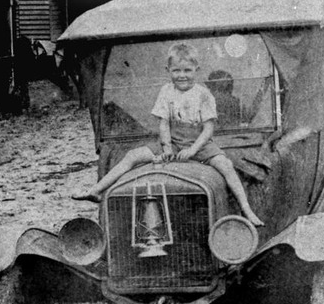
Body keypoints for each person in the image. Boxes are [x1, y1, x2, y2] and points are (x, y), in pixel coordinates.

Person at [73, 43, 264, 227]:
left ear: (197, 70)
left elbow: (208, 129)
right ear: (168, 70)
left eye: (187, 70)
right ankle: (96, 191)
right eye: (177, 71)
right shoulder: (166, 91)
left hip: (199, 142)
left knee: (226, 165)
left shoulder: (204, 94)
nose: (182, 76)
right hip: (172, 140)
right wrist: (167, 148)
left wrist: (192, 150)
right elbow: (163, 123)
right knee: (132, 156)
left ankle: (246, 209)